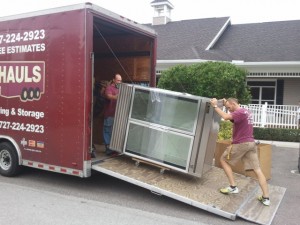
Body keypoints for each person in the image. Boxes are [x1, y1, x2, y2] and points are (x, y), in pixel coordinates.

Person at [210, 97, 270, 206]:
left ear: (233, 103)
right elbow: (232, 118)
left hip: (241, 143)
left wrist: (215, 105)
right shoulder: (246, 112)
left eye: (229, 107)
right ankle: (266, 198)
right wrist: (224, 104)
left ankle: (233, 187)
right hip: (251, 144)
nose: (230, 110)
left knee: (223, 160)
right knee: (258, 170)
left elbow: (225, 116)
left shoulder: (240, 112)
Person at [103, 74, 122, 155]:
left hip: (118, 115)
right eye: (118, 80)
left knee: (115, 131)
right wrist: (119, 96)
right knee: (107, 130)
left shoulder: (120, 88)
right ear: (113, 80)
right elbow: (108, 96)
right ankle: (108, 148)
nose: (119, 82)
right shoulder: (109, 88)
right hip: (110, 114)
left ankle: (114, 148)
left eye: (120, 80)